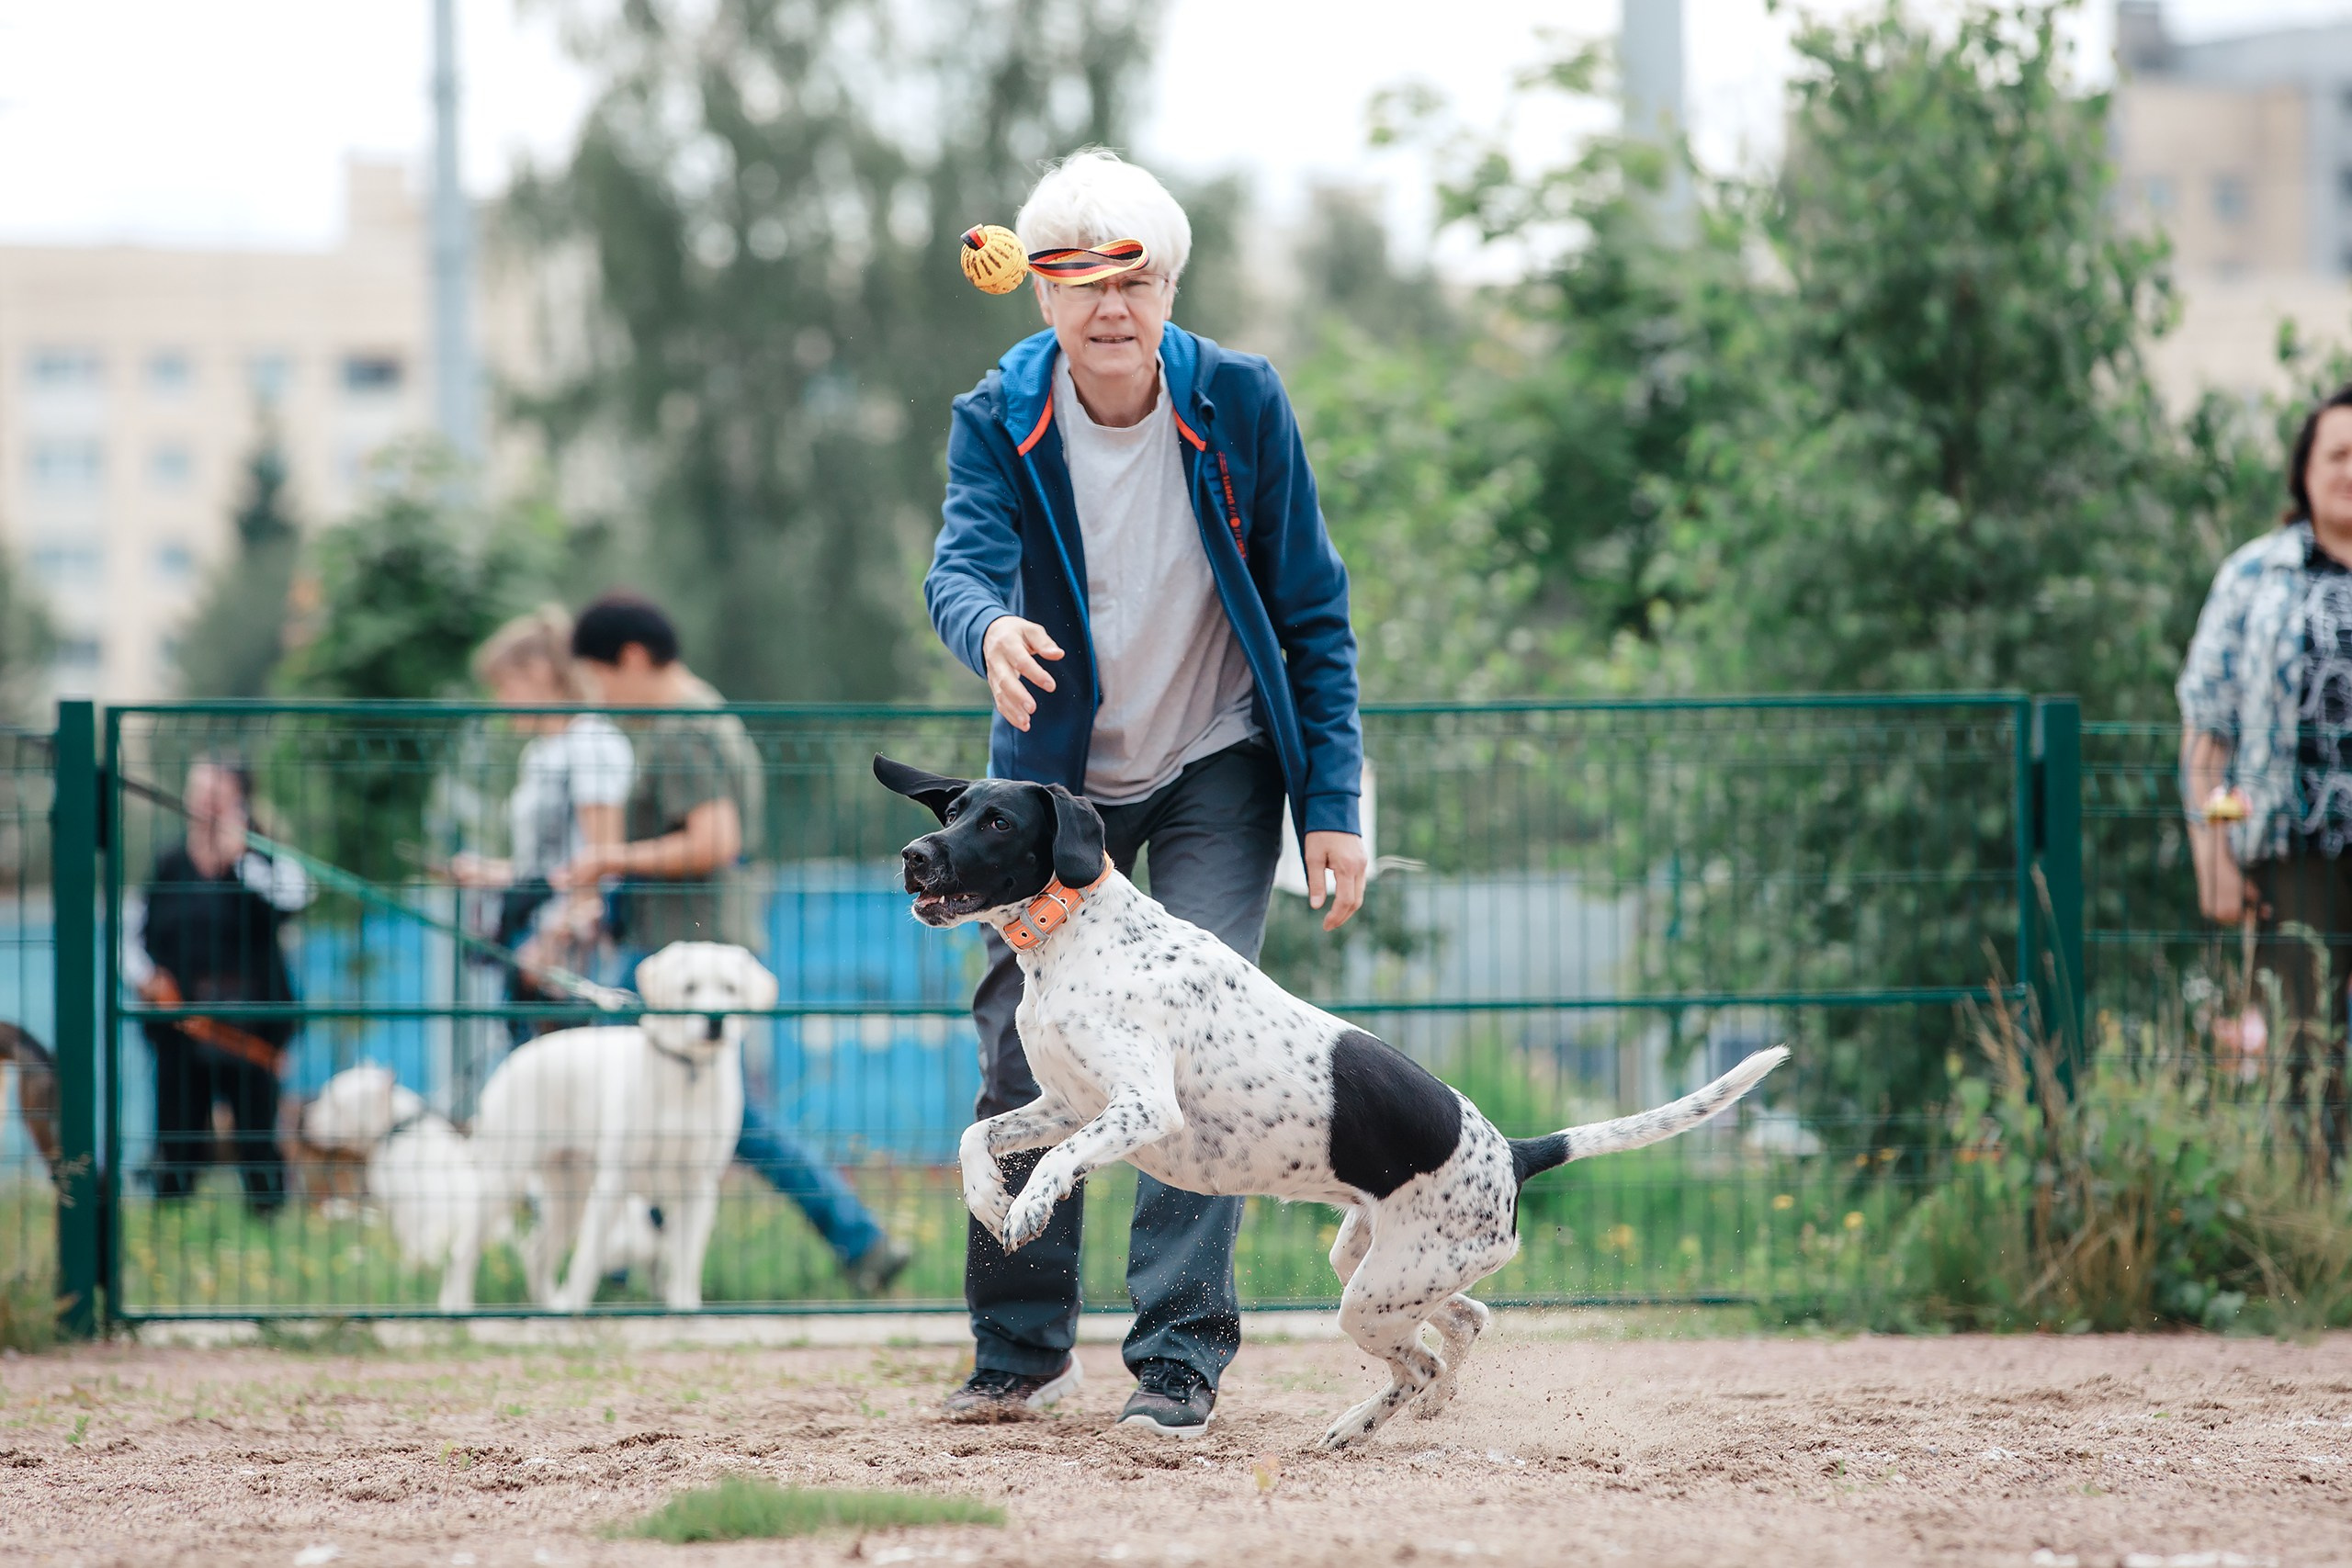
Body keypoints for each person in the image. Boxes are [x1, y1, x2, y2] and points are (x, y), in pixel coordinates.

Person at [924, 150, 1366, 1435]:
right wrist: (990, 628)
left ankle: (1176, 1358)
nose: (1110, 306)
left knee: (1197, 1049)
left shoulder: (1240, 399)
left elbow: (1311, 608)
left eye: (1137, 279)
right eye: (1081, 281)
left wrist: (1331, 802)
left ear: (1170, 287)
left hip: (1218, 759)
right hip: (1055, 783)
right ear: (1041, 291)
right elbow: (959, 567)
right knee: (1018, 1043)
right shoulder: (997, 412)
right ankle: (1019, 1350)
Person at [551, 593, 913, 1295]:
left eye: (598, 677)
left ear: (632, 657)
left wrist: (610, 859)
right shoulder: (708, 715)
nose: (598, 696)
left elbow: (715, 839)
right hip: (693, 939)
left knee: (716, 1112)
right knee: (671, 1108)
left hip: (687, 952)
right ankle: (634, 1258)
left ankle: (858, 1239)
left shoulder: (682, 731)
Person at [2180, 382, 2352, 1169]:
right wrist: (2212, 851)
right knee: (2303, 1056)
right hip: (2292, 858)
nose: (2351, 470)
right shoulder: (2254, 575)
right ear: (2304, 471)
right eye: (2338, 453)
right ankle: (2311, 1219)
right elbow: (2208, 734)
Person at [123, 758, 312, 1214]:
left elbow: (297, 897)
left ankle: (267, 1216)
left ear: (238, 803)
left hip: (250, 1025)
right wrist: (146, 977)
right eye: (200, 795)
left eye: (217, 796)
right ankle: (172, 1215)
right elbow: (130, 936)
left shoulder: (262, 860)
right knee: (177, 1131)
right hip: (183, 1026)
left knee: (257, 1134)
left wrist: (243, 857)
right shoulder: (169, 865)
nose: (207, 806)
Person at [450, 607, 632, 1044]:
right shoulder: (540, 753)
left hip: (572, 954)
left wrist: (554, 943)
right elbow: (551, 864)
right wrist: (492, 873)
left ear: (540, 672)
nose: (501, 701)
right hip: (533, 940)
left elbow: (601, 860)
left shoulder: (591, 744)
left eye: (505, 685)